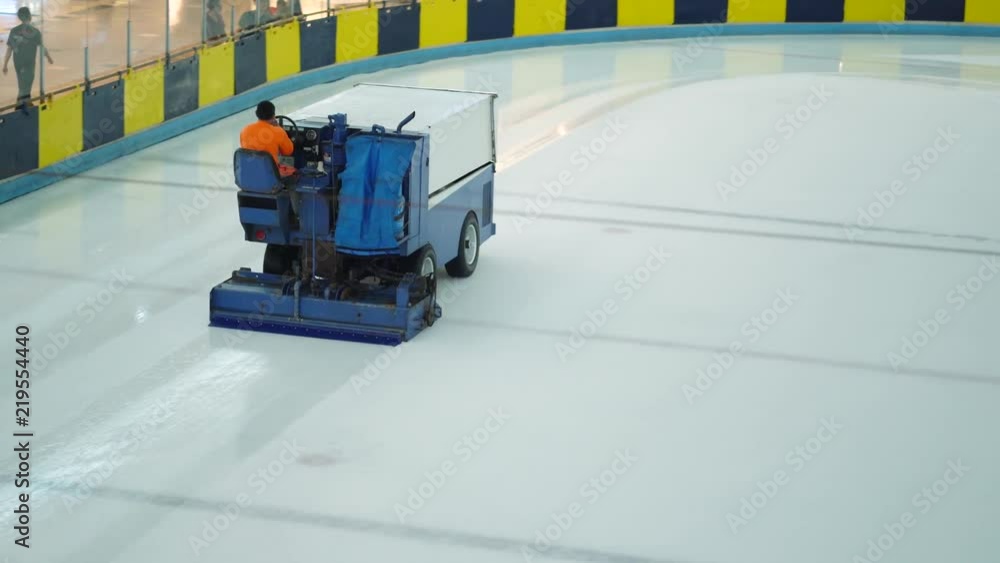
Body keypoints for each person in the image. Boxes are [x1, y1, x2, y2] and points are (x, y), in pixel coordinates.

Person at [2, 8, 54, 109]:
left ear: (20, 17)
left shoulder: (14, 31)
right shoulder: (35, 31)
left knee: (22, 83)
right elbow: (42, 47)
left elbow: (9, 49)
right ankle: (21, 104)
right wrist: (48, 57)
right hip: (29, 62)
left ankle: (24, 102)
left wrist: (5, 64)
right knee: (27, 83)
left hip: (18, 62)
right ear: (29, 16)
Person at [240, 100, 295, 177]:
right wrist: (279, 127)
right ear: (273, 115)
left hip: (249, 173)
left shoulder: (245, 130)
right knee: (288, 161)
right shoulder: (278, 131)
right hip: (270, 175)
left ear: (257, 114)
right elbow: (288, 151)